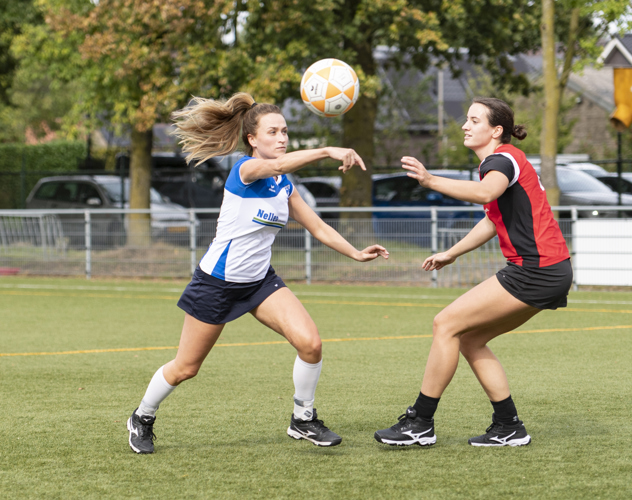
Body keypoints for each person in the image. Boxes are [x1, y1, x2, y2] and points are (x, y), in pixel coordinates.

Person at [127, 92, 389, 454]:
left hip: (259, 282)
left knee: (311, 344)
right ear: (252, 139)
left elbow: (317, 227)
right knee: (186, 368)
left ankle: (303, 418)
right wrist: (328, 151)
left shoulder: (284, 186)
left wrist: (356, 253)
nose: (281, 138)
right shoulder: (244, 171)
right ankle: (142, 416)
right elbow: (278, 167)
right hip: (217, 283)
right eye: (273, 132)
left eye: (284, 132)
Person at [374, 97, 572, 447]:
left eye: (474, 120)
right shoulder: (504, 162)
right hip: (548, 269)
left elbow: (485, 192)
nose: (465, 125)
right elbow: (492, 220)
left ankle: (420, 421)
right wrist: (451, 253)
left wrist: (431, 180)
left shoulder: (501, 160)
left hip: (536, 270)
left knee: (445, 323)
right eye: (466, 119)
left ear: (496, 131)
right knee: (470, 338)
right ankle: (508, 425)